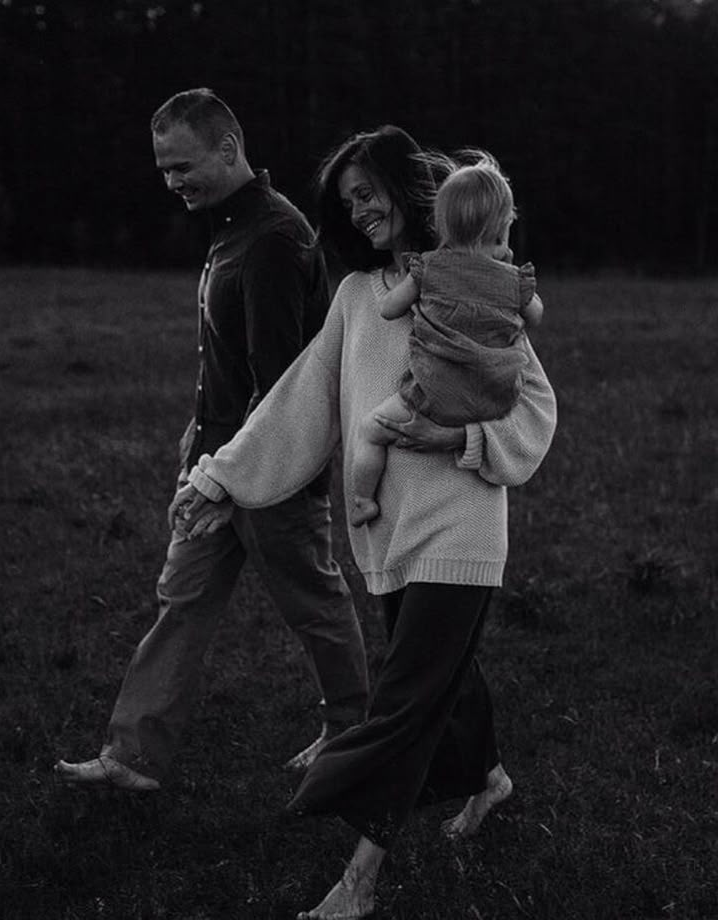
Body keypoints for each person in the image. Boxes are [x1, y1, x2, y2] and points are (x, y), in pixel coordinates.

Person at [172, 125, 557, 920]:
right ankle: (489, 779)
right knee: (445, 677)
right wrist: (217, 480)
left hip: (464, 526)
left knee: (406, 701)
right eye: (347, 202)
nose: (360, 210)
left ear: (405, 189)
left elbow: (537, 403)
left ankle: (360, 879)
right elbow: (299, 402)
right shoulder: (355, 299)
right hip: (386, 533)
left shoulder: (472, 283)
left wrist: (463, 438)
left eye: (368, 193)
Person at [54, 88, 369, 791]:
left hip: (269, 467)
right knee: (183, 599)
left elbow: (282, 383)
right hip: (215, 460)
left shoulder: (274, 240)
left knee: (312, 603)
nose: (172, 182)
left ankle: (353, 736)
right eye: (163, 170)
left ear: (229, 149)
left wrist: (231, 475)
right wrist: (199, 448)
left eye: (183, 166)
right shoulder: (230, 226)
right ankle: (131, 757)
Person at [350, 150, 544, 526]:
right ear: (501, 229)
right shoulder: (512, 279)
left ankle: (362, 501)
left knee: (371, 430)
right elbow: (535, 315)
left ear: (444, 227)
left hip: (431, 396)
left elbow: (389, 309)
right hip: (495, 398)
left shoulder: (429, 268)